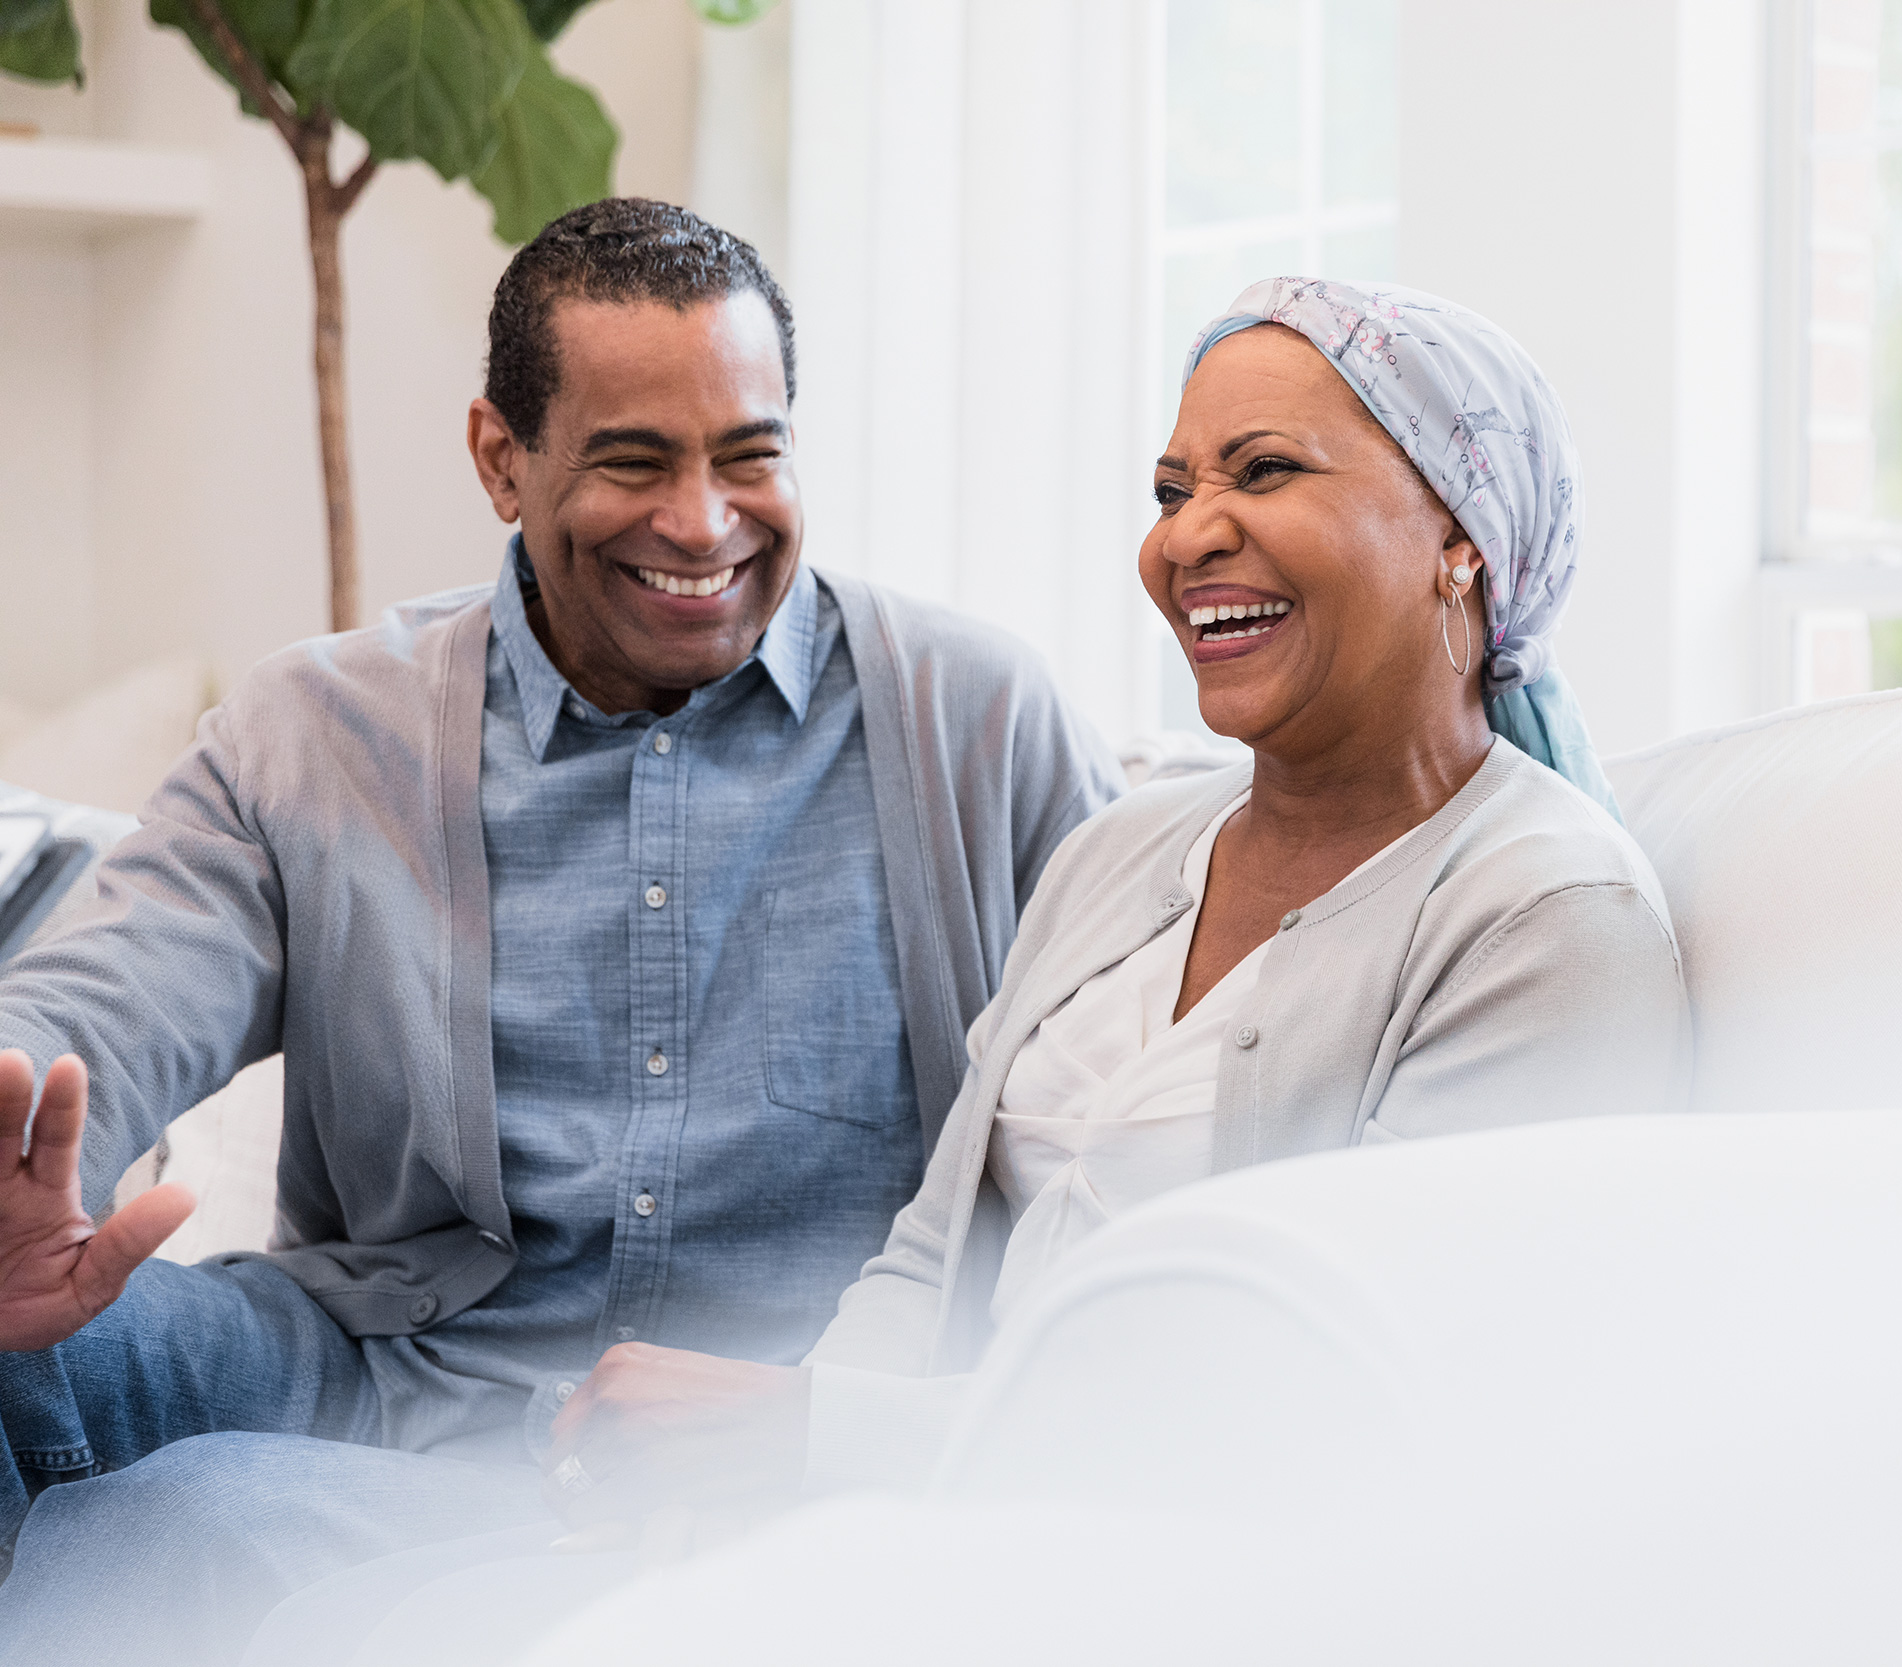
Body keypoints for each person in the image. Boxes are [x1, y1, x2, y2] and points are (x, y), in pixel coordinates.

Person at [226, 277, 1693, 1667]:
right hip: (889, 1547)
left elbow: (1338, 1418)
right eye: (1174, 491)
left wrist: (816, 1445)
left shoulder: (1546, 916)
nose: (1189, 538)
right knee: (257, 1591)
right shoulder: (1126, 853)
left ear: (1466, 537)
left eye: (1263, 473)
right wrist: (767, 1488)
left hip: (1152, 1603)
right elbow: (928, 1254)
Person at [0, 199, 1120, 1660]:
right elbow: (112, 995)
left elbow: (1149, 1046)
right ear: (499, 458)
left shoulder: (977, 720)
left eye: (751, 455)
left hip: (772, 1432)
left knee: (192, 1530)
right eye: (635, 461)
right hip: (398, 1384)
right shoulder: (320, 731)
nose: (704, 522)